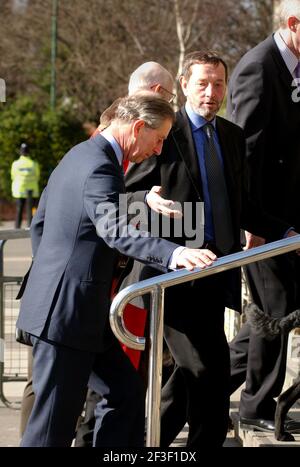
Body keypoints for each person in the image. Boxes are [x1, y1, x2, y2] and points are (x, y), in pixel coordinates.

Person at [16, 92, 217, 447]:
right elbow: (114, 230)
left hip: (81, 311)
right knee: (50, 429)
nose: (157, 151)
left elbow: (46, 223)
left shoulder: (83, 153)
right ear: (138, 127)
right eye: (157, 141)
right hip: (67, 315)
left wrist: (53, 276)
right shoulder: (100, 165)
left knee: (124, 393)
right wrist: (174, 254)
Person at [122, 51, 297, 447]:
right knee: (209, 377)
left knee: (187, 382)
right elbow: (129, 197)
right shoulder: (166, 134)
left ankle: (144, 447)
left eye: (218, 83)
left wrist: (284, 230)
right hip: (174, 279)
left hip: (217, 276)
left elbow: (244, 206)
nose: (211, 92)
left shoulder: (232, 137)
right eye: (202, 83)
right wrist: (147, 204)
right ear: (184, 85)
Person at [226, 0, 300, 433]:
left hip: (291, 219)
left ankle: (200, 382)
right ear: (293, 24)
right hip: (265, 222)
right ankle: (254, 409)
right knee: (276, 310)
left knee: (275, 317)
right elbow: (246, 153)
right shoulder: (259, 66)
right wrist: (251, 221)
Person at [11, 143, 40, 228]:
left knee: (19, 210)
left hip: (19, 191)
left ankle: (17, 228)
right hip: (32, 191)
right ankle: (31, 228)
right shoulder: (34, 164)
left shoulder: (15, 164)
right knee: (31, 210)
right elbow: (37, 176)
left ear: (20, 152)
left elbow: (13, 176)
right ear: (28, 152)